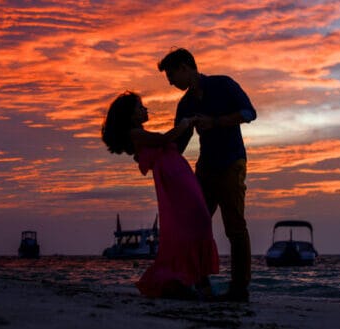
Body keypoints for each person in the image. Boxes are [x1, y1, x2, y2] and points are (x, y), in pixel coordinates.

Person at [158, 48, 257, 302]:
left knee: (234, 226)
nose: (170, 82)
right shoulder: (185, 104)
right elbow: (179, 144)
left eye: (171, 75)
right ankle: (197, 283)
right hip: (205, 168)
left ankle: (239, 288)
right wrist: (156, 153)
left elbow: (249, 113)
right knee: (193, 224)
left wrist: (215, 122)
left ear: (185, 67)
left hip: (232, 162)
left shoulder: (222, 85)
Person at [102, 91, 219, 300]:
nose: (145, 109)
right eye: (140, 107)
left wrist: (187, 125)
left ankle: (194, 282)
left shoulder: (139, 133)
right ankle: (191, 282)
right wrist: (183, 125)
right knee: (196, 223)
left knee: (199, 222)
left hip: (179, 175)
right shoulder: (135, 134)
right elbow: (163, 138)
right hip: (173, 180)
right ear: (130, 115)